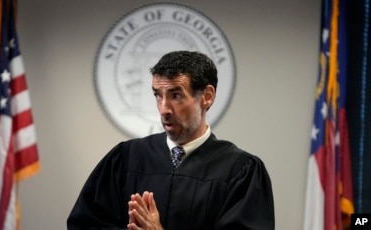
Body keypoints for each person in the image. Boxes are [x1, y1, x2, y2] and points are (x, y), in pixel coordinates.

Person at [67, 51, 275, 230]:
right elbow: (84, 225)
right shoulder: (126, 158)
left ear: (207, 96)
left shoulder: (239, 171)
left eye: (176, 95)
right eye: (158, 95)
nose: (164, 109)